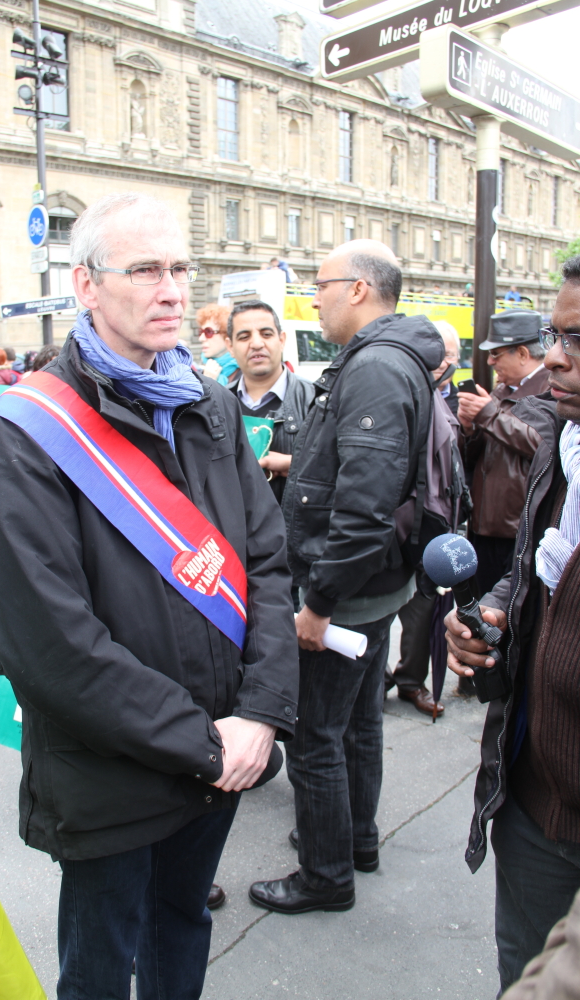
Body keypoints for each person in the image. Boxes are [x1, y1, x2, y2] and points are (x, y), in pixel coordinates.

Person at [0, 191, 299, 1000]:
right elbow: (52, 647)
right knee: (101, 965)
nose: (173, 290)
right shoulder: (19, 436)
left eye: (181, 269)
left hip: (221, 756)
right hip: (112, 774)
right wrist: (209, 742)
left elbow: (266, 569)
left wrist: (257, 717)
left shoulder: (210, 406)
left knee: (182, 930)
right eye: (145, 270)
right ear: (85, 285)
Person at [249, 239, 444, 914]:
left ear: (357, 289)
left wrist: (318, 604)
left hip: (348, 591)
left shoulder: (375, 369)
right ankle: (356, 840)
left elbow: (361, 509)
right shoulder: (387, 361)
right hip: (378, 584)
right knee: (357, 724)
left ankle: (324, 874)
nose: (314, 295)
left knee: (314, 737)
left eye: (321, 283)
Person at [444, 255, 580, 994]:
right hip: (527, 796)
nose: (557, 357)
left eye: (577, 338)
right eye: (557, 337)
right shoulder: (567, 444)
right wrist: (497, 609)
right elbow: (530, 565)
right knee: (517, 968)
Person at [386, 320, 461, 716]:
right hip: (396, 523)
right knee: (379, 609)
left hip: (436, 525)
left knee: (422, 611)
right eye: (433, 354)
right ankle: (376, 678)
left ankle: (410, 681)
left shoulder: (466, 400)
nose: (438, 363)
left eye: (446, 356)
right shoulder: (399, 390)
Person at [458, 310, 549, 598]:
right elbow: (475, 457)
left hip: (519, 531)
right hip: (485, 528)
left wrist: (487, 414)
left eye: (496, 354)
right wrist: (469, 428)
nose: (490, 362)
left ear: (522, 353)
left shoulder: (551, 390)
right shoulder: (500, 391)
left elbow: (542, 445)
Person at [225, 300, 314, 504]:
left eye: (266, 334)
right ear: (230, 345)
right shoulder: (213, 404)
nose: (256, 344)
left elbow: (342, 468)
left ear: (282, 339)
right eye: (244, 336)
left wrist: (294, 464)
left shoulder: (316, 401)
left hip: (294, 530)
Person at [195, 304, 239, 386]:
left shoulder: (245, 373)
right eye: (201, 332)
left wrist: (210, 385)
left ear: (227, 335)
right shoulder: (201, 371)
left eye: (209, 332)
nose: (201, 338)